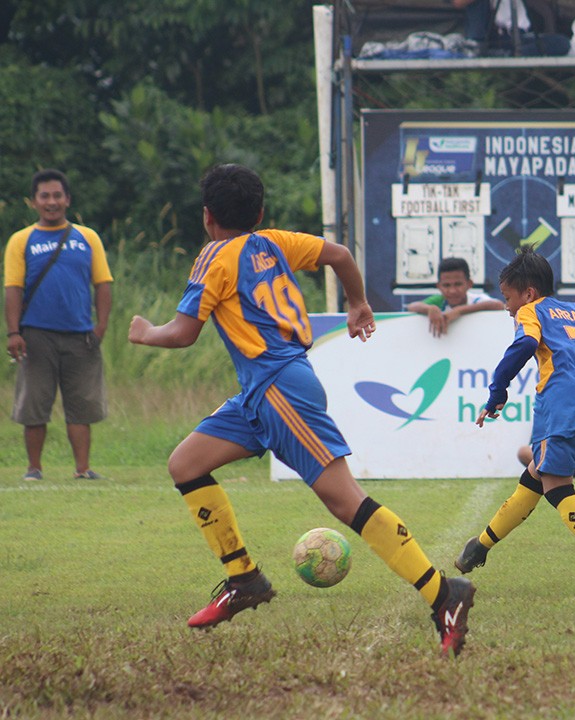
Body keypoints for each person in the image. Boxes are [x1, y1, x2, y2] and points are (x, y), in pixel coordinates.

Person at [127, 164, 474, 656]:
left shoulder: (214, 256)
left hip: (279, 390)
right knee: (185, 463)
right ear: (260, 212)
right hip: (261, 391)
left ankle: (445, 594)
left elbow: (182, 333)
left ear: (207, 217)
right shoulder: (272, 242)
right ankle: (243, 578)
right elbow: (340, 254)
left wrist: (145, 332)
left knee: (344, 500)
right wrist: (358, 303)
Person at [455, 247, 575, 594]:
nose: (507, 308)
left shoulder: (532, 311)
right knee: (535, 479)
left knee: (558, 488)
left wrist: (497, 392)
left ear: (528, 293)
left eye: (508, 298)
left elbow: (525, 343)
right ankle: (479, 547)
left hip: (559, 409)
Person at [4, 169, 112, 482]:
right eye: (45, 196)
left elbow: (103, 284)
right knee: (34, 404)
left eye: (57, 195)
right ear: (34, 202)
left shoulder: (87, 237)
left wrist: (100, 327)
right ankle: (33, 469)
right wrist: (13, 333)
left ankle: (83, 469)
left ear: (67, 199)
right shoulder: (21, 240)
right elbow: (13, 289)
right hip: (35, 336)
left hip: (81, 336)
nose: (52, 202)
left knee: (81, 405)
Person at [405, 257, 503, 337]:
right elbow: (411, 307)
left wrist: (459, 310)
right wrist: (429, 309)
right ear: (439, 286)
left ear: (469, 284)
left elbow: (498, 305)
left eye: (458, 284)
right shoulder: (439, 300)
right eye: (446, 285)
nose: (452, 290)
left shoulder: (476, 299)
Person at [454, 0, 570, 57]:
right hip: (494, 38)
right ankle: (496, 54)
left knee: (561, 43)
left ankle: (508, 56)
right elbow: (458, 2)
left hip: (522, 36)